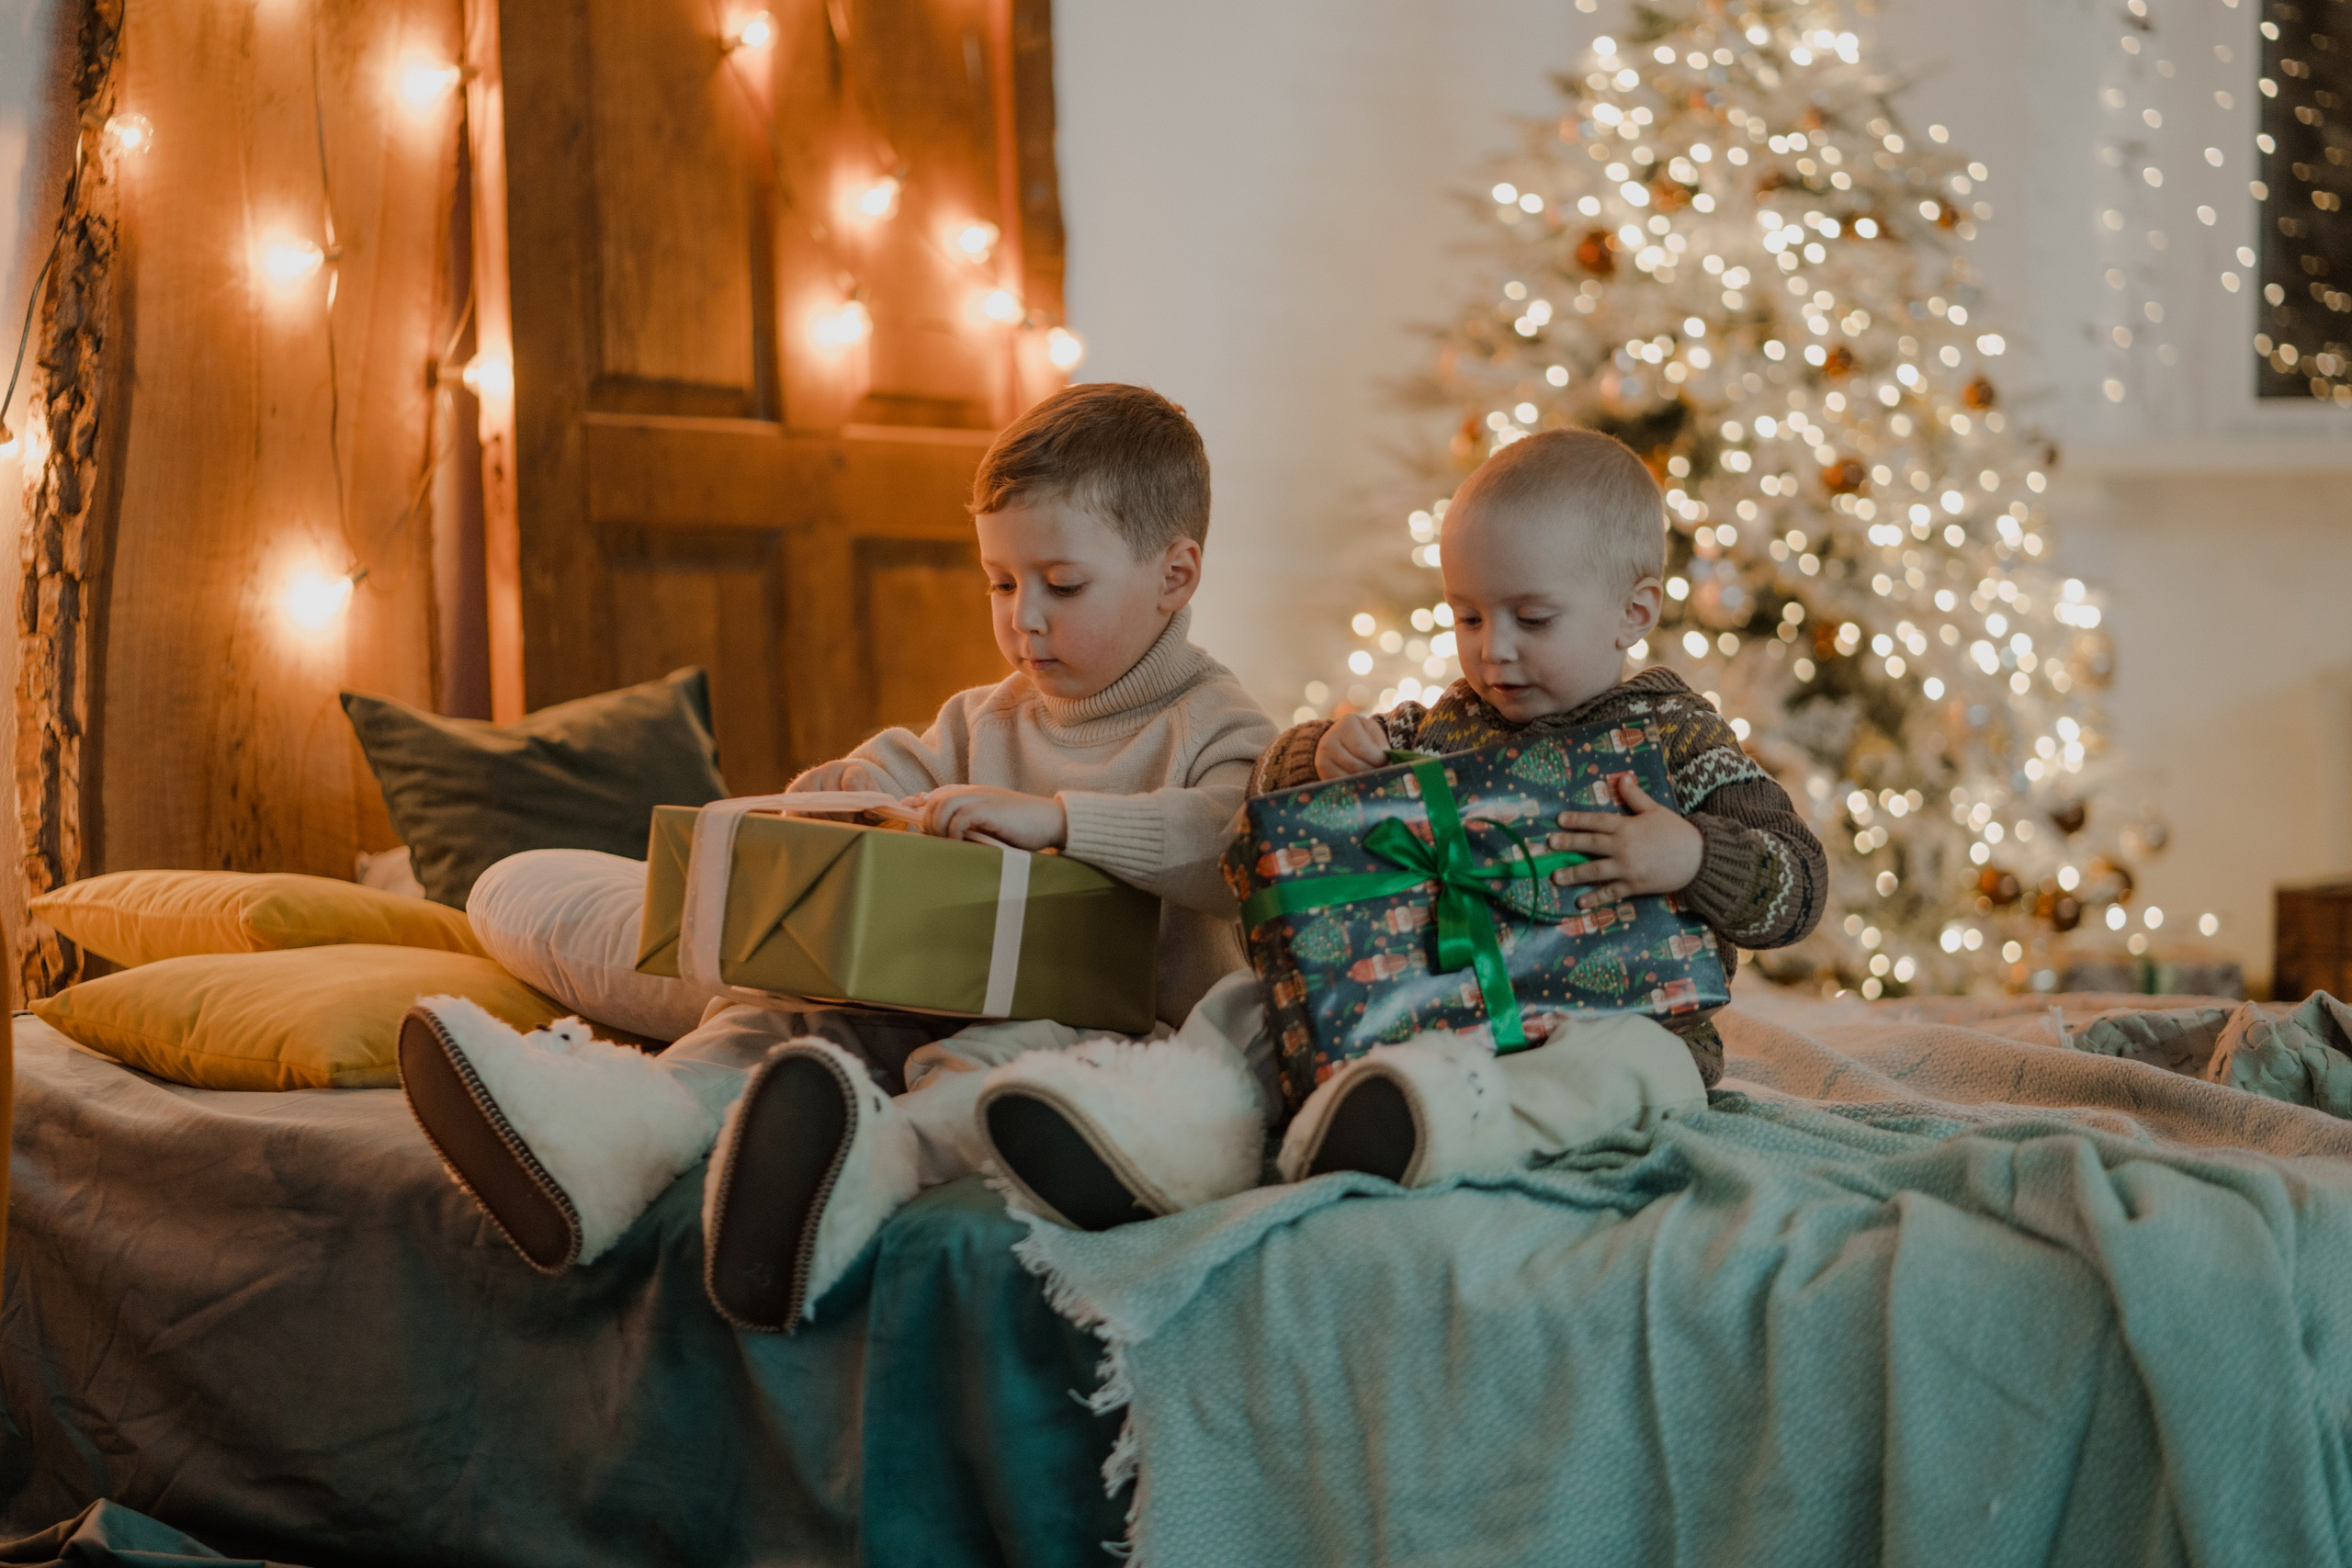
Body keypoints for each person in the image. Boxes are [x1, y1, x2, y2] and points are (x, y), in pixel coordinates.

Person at [399, 383, 1277, 1331]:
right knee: (772, 1017)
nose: (1024, 619)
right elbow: (893, 769)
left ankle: (849, 1178)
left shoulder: (1217, 724)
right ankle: (606, 1141)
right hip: (917, 993)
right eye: (1000, 583)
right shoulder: (982, 716)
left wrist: (1063, 822)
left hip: (1093, 1034)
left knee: (1001, 1064)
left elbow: (1228, 844)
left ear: (1175, 576)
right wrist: (841, 791)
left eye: (1061, 587)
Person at [1249, 427, 1829, 1190]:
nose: (1495, 651)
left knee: (1639, 1074)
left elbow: (1800, 885)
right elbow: (1273, 797)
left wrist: (1691, 855)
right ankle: (1180, 1124)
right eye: (1469, 617)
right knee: (1248, 1004)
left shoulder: (1675, 735)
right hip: (1442, 1012)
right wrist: (1321, 755)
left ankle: (1436, 1131)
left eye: (1533, 617)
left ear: (1633, 611)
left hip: (1632, 1022)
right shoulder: (1444, 726)